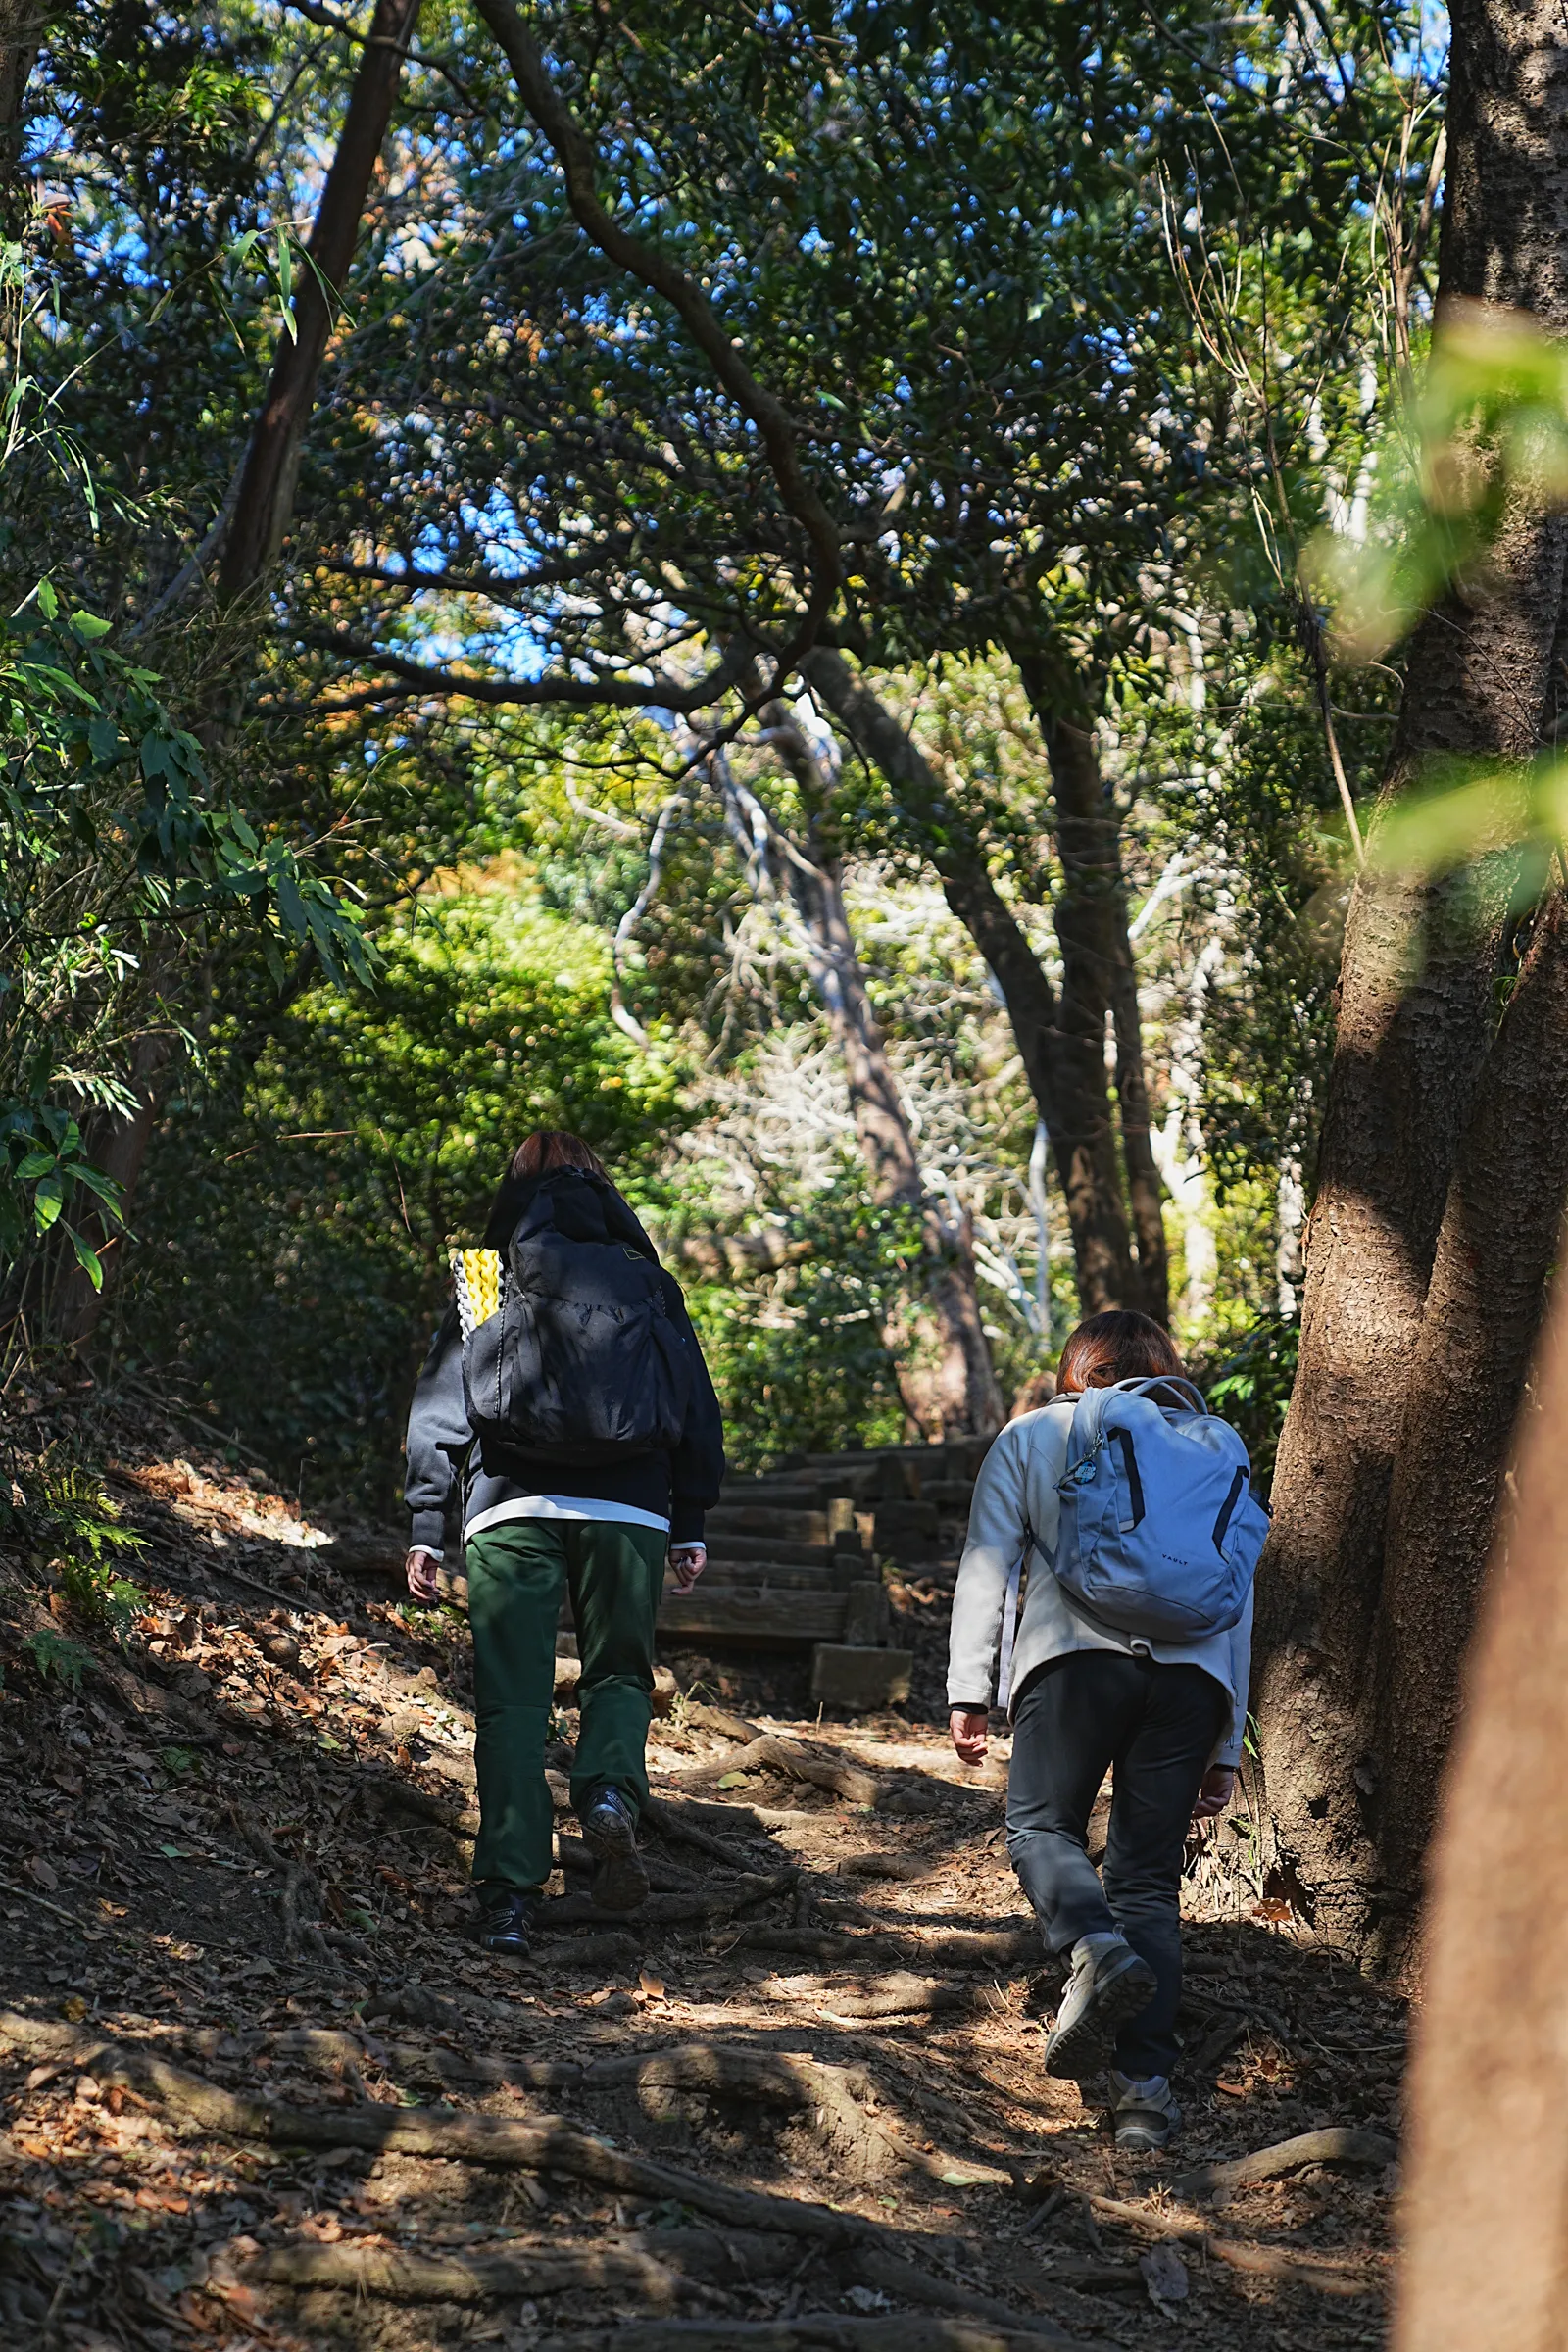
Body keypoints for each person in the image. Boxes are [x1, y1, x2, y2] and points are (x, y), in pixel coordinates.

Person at [404, 1130, 724, 1958]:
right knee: (619, 1669)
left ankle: (509, 1895)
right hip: (631, 1510)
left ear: (518, 1187)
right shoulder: (651, 1280)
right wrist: (688, 1519)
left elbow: (444, 1401)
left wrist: (425, 1527)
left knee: (512, 1702)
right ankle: (610, 1791)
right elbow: (695, 1404)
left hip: (510, 1507)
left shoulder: (484, 1270)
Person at [947, 1309, 1252, 2152]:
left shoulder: (1037, 1434)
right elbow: (1239, 1594)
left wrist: (969, 1688)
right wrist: (1226, 1739)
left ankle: (1092, 1946)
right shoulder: (1209, 1444)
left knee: (1042, 1827)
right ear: (1165, 1367)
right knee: (1149, 1879)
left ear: (1075, 1368)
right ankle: (1145, 2095)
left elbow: (989, 1563)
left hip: (1073, 1662)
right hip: (1191, 1682)